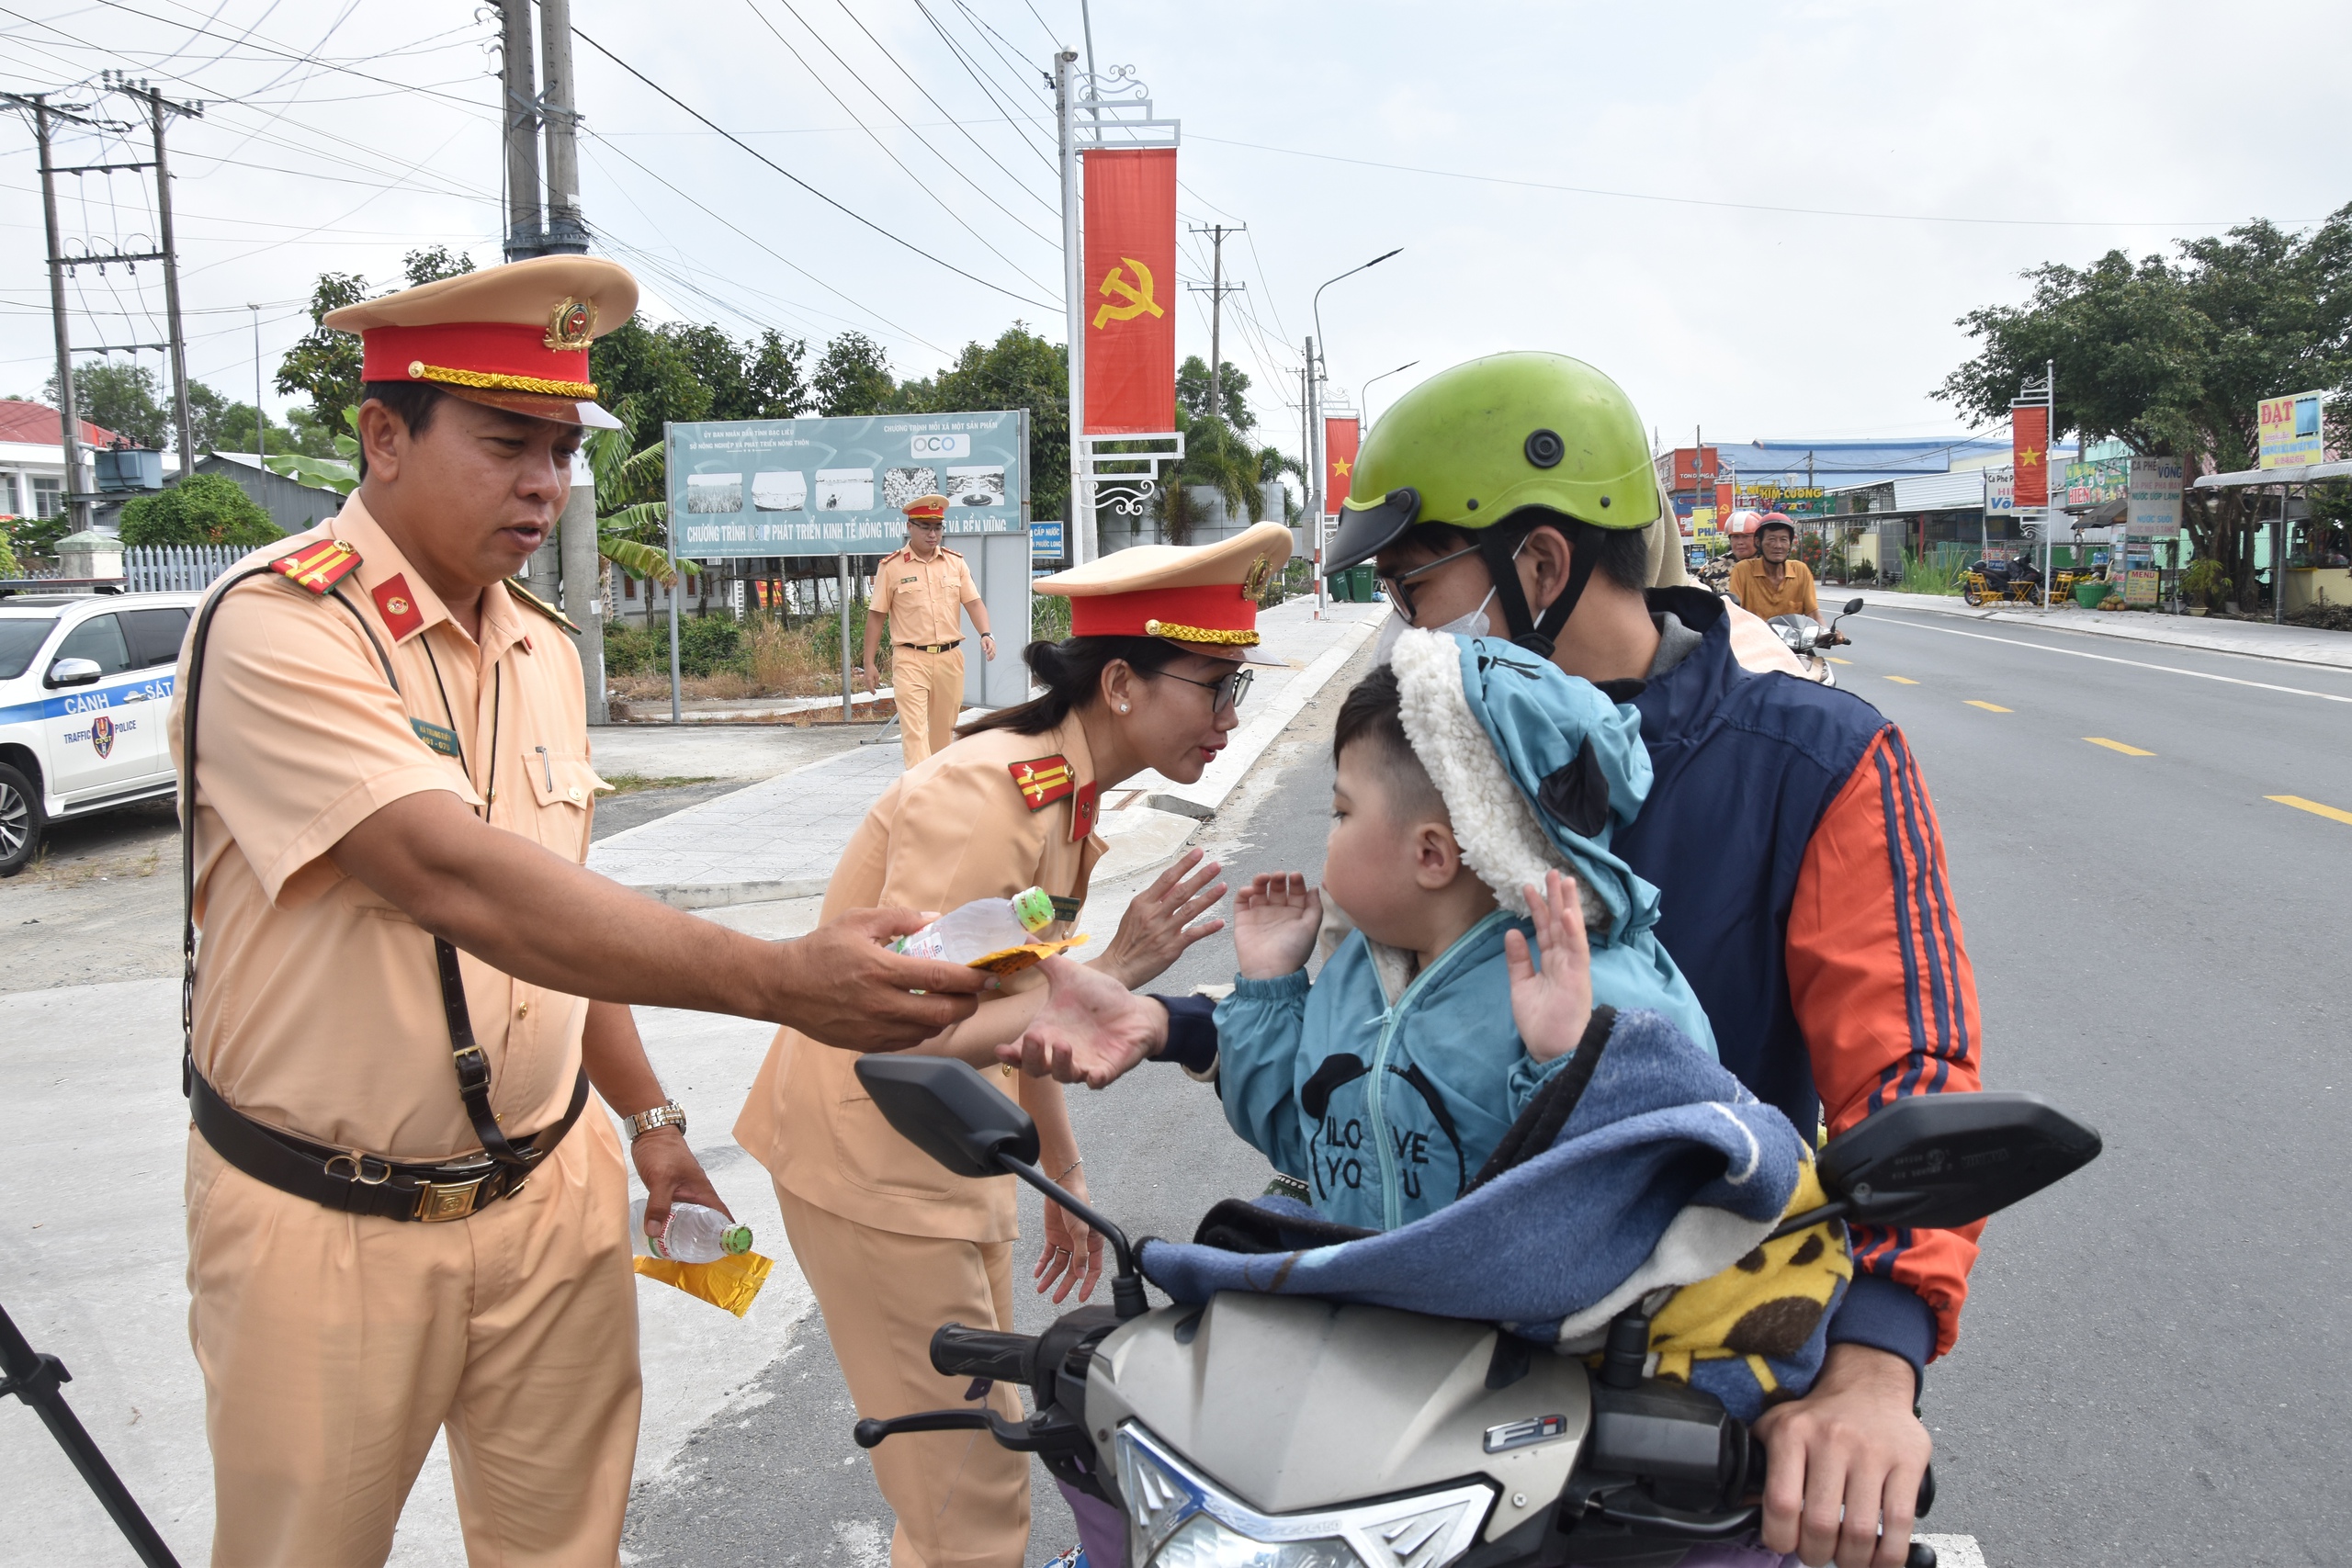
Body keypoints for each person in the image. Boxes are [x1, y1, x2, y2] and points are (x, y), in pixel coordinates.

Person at [1010, 354, 1983, 1568]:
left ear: (1539, 562)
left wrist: (1874, 1366)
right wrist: (1179, 1025)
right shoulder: (1434, 754)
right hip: (1403, 1376)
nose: (1401, 615)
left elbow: (1914, 1072)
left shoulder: (1809, 758)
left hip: (1664, 1393)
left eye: (1414, 578)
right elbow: (1390, 1009)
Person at [171, 254, 992, 1568]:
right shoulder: (284, 627)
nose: (547, 483)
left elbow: (562, 913)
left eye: (561, 446)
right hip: (325, 1221)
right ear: (384, 435)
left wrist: (650, 1118)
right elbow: (455, 878)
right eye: (509, 443)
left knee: (565, 1548)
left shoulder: (542, 646)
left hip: (550, 1191)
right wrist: (776, 977)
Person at [733, 521, 1295, 1568]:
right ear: (1121, 682)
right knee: (969, 1503)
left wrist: (1062, 1164)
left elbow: (1007, 989)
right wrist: (1116, 974)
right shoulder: (987, 796)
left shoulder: (1062, 793)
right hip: (879, 1162)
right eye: (1212, 685)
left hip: (947, 1149)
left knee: (983, 1459)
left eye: (1239, 691)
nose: (1227, 718)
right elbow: (918, 1025)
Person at [1215, 637, 1713, 1231]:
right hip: (1356, 1318)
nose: (1330, 836)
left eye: (1342, 813)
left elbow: (1630, 1213)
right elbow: (1312, 1146)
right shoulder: (1366, 972)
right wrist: (1271, 989)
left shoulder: (1597, 999)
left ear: (1431, 854)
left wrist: (1564, 1064)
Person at [859, 492, 995, 766]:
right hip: (910, 659)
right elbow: (876, 616)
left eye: (938, 528)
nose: (933, 534)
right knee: (914, 732)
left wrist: (986, 633)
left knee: (943, 733)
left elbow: (973, 602)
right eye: (926, 527)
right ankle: (918, 792)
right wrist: (869, 663)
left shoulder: (955, 563)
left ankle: (938, 788)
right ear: (910, 527)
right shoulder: (892, 567)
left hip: (949, 658)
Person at [1727, 512, 1823, 622]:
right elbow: (1735, 611)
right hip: (1755, 637)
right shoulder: (1743, 569)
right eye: (1771, 539)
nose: (1778, 546)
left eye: (1783, 540)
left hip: (1792, 638)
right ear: (1758, 542)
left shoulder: (1800, 570)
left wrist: (1828, 634)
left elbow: (1813, 613)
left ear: (1790, 544)